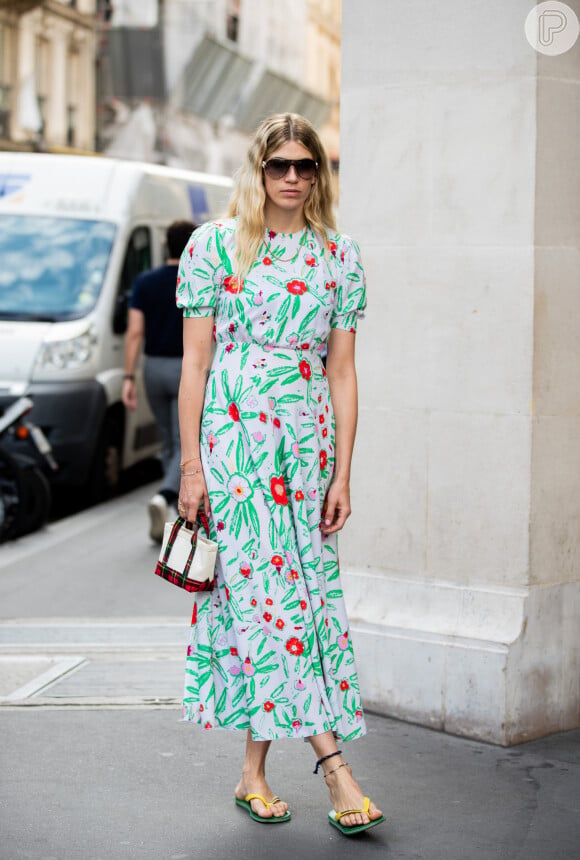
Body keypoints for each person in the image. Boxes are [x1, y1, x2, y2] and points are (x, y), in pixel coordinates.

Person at [176, 113, 384, 836]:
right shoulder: (215, 246)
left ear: (319, 175)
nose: (293, 178)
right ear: (257, 169)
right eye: (280, 165)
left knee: (288, 605)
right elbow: (195, 365)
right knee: (275, 604)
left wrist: (343, 475)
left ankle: (252, 773)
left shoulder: (338, 256)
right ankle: (337, 771)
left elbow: (344, 371)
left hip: (306, 450)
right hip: (235, 448)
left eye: (307, 166)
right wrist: (192, 468)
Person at [122, 219, 196, 541]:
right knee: (184, 441)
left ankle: (166, 503)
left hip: (153, 367)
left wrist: (128, 376)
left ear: (166, 244)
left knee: (167, 440)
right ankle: (166, 496)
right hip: (186, 368)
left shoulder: (145, 281)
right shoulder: (195, 279)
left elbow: (135, 332)